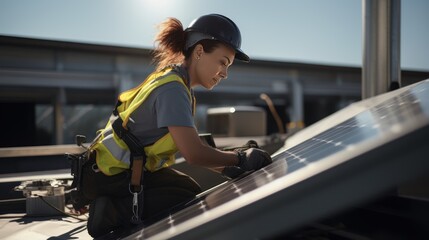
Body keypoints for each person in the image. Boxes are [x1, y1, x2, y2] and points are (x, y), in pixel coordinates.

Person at [79, 14, 272, 238]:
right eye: (223, 62)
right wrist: (240, 158)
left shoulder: (176, 82)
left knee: (186, 187)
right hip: (111, 177)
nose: (225, 73)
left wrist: (229, 166)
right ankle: (111, 212)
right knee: (185, 197)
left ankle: (114, 205)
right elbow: (193, 154)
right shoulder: (173, 89)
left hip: (114, 172)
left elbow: (192, 144)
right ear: (199, 51)